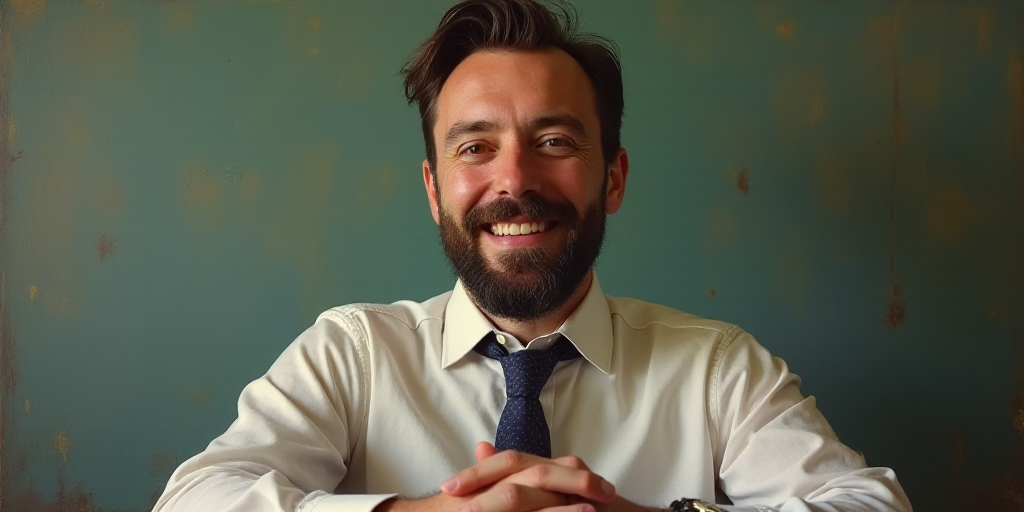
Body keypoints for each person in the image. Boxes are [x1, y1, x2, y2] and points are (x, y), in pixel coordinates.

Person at [153, 1, 912, 511]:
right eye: (475, 147)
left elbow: (870, 504)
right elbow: (193, 500)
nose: (513, 180)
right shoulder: (352, 355)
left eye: (553, 142)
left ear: (611, 178)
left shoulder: (719, 369)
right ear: (434, 189)